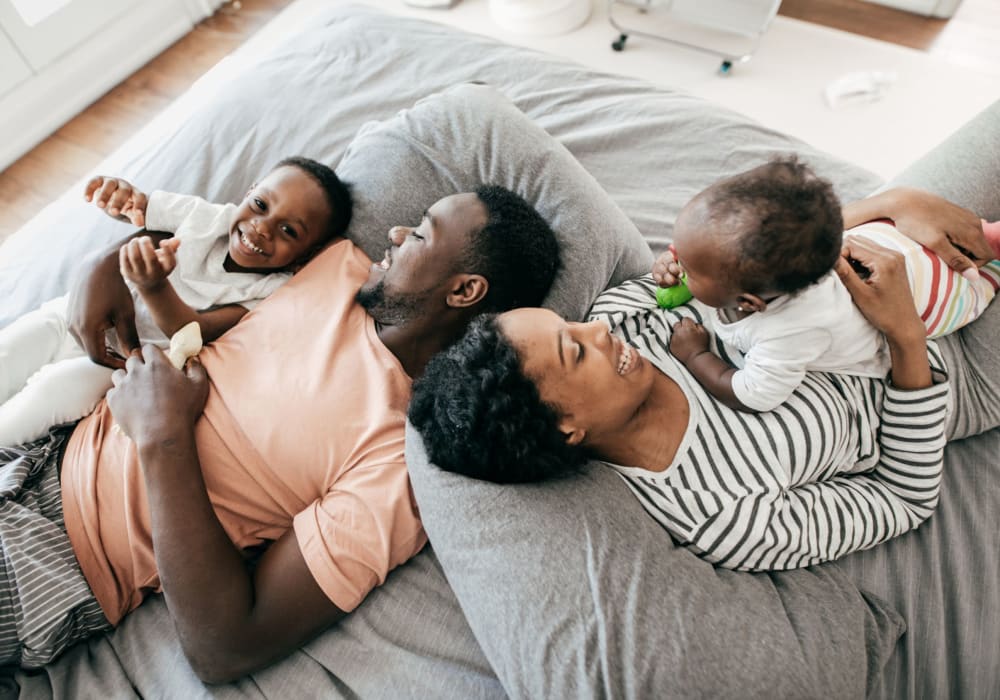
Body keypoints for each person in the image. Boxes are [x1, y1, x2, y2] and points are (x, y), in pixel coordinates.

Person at [0, 185, 560, 678]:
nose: (394, 230)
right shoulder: (340, 266)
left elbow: (226, 648)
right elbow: (227, 230)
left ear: (463, 292)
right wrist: (106, 265)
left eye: (420, 233)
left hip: (54, 557)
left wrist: (163, 436)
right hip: (45, 440)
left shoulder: (399, 460)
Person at [408, 188, 1000, 572]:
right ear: (566, 427)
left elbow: (744, 269)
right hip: (952, 366)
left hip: (870, 255)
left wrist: (889, 206)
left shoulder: (624, 319)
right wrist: (904, 337)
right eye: (575, 351)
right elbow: (904, 498)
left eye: (570, 323)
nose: (597, 330)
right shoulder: (721, 516)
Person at [0, 157, 353, 445]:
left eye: (289, 231)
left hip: (117, 364)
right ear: (249, 192)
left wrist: (154, 287)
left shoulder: (269, 292)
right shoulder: (204, 216)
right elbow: (139, 208)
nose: (262, 228)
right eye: (260, 205)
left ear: (308, 254)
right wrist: (117, 196)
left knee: (50, 393)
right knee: (11, 353)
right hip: (67, 317)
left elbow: (194, 331)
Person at [651, 157, 1000, 412]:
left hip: (933, 299)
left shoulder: (789, 332)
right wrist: (683, 264)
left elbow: (752, 394)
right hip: (884, 239)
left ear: (750, 302)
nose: (675, 259)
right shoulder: (788, 260)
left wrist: (696, 355)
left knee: (982, 279)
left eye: (689, 267)